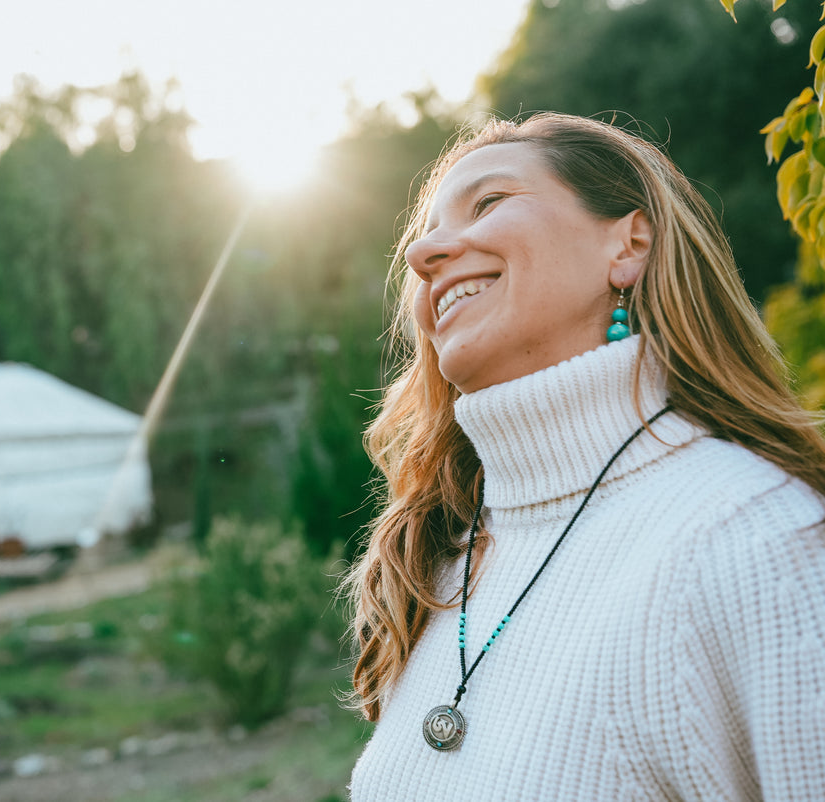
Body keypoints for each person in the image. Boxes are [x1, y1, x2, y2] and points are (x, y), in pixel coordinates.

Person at [344, 113, 825, 801]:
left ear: (628, 245)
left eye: (489, 202)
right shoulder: (439, 563)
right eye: (426, 235)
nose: (424, 255)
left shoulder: (757, 540)